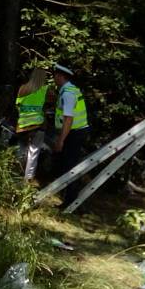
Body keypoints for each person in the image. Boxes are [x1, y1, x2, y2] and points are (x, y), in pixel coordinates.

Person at [52, 63, 90, 208]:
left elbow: (69, 118)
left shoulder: (67, 94)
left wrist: (61, 140)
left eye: (55, 76)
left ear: (60, 76)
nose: (54, 78)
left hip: (74, 133)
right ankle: (69, 198)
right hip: (76, 131)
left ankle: (70, 202)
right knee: (68, 164)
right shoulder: (69, 90)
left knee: (70, 166)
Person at [15, 67, 54, 181]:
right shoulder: (45, 90)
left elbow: (18, 106)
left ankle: (16, 174)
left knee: (20, 149)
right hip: (38, 125)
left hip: (22, 124)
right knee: (34, 152)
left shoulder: (22, 88)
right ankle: (28, 179)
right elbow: (55, 102)